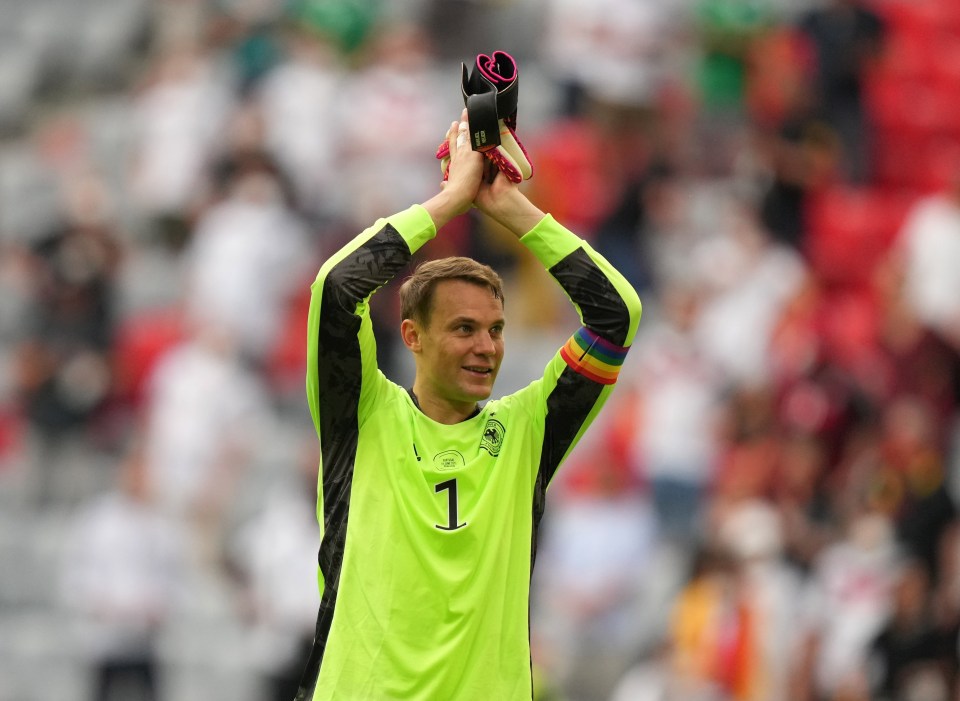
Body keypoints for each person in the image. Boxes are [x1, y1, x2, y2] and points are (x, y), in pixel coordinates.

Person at [295, 110, 642, 700]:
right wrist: (452, 201)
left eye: (496, 330)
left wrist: (512, 211)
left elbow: (617, 314)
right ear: (412, 336)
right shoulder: (363, 416)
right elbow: (337, 288)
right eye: (463, 328)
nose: (486, 348)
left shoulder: (527, 430)